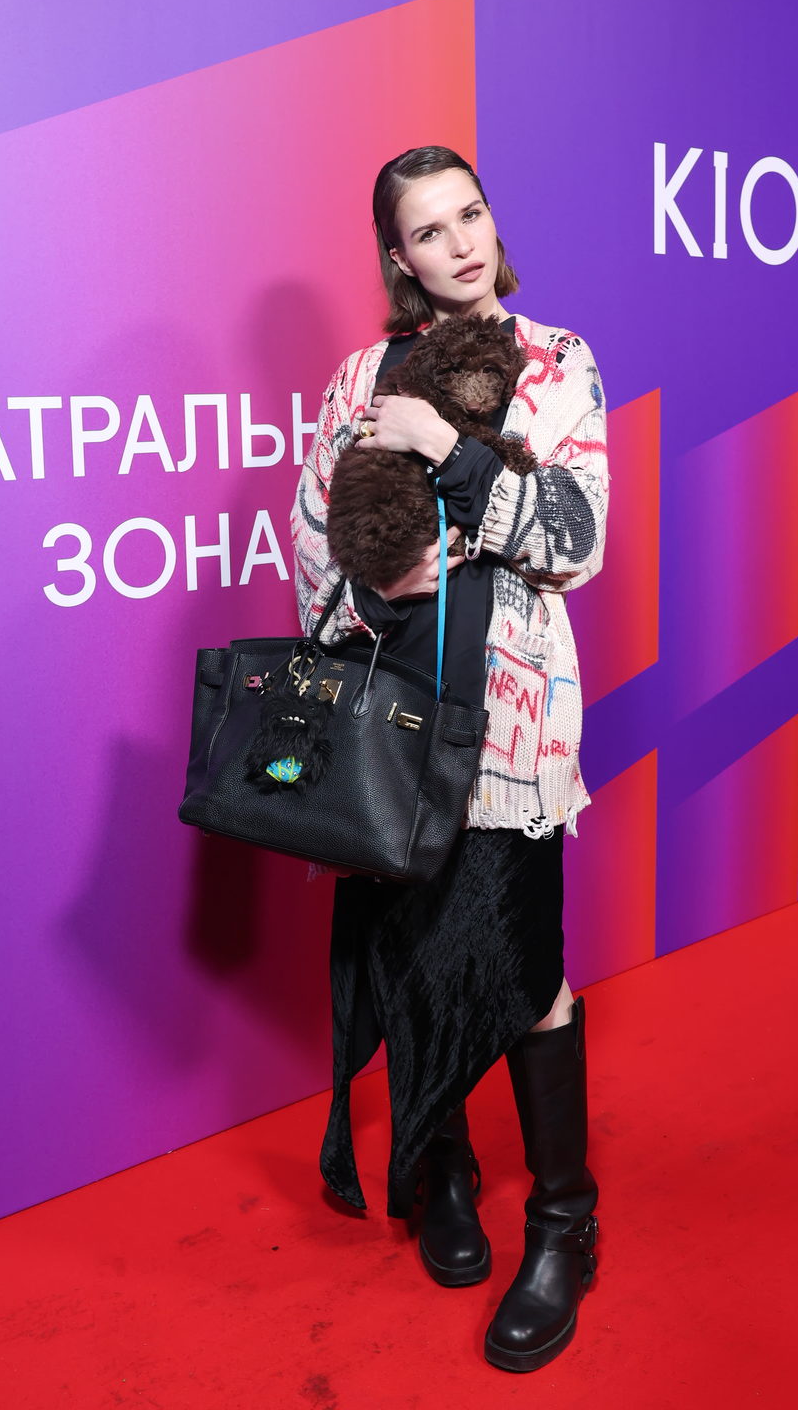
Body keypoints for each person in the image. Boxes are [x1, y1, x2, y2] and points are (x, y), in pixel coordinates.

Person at [289, 145, 608, 1372]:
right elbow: (312, 542)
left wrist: (451, 451)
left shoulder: (557, 360)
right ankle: (445, 1168)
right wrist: (379, 586)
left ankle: (563, 1222)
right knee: (415, 951)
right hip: (393, 722)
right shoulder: (357, 377)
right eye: (429, 230)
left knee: (525, 968)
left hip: (515, 730)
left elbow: (575, 538)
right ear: (399, 258)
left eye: (469, 214)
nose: (460, 243)